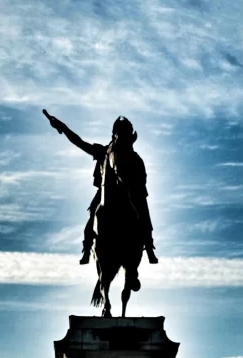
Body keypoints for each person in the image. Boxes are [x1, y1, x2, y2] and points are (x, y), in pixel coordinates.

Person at [44, 110, 158, 267]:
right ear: (115, 135)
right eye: (120, 134)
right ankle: (87, 247)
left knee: (142, 209)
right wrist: (62, 127)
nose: (123, 138)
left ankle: (148, 245)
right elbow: (79, 142)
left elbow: (142, 183)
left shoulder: (136, 159)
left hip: (132, 193)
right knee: (94, 214)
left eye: (126, 134)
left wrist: (133, 187)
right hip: (107, 192)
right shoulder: (104, 152)